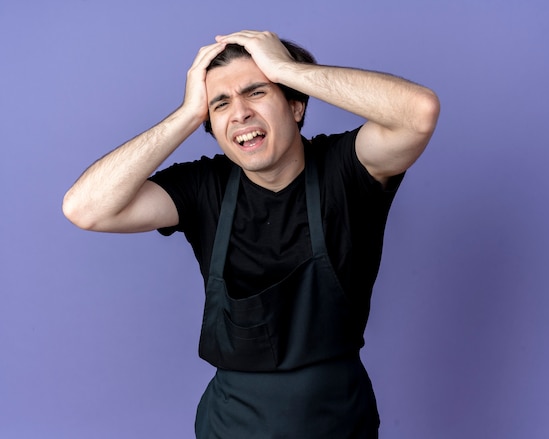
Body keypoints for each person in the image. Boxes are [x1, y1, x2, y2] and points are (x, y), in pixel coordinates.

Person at [63, 30, 440, 438]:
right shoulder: (204, 188)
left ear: (295, 105)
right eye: (220, 103)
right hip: (233, 425)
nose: (239, 113)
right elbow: (85, 208)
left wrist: (284, 68)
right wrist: (189, 112)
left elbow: (418, 113)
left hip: (336, 419)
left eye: (256, 92)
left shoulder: (346, 169)